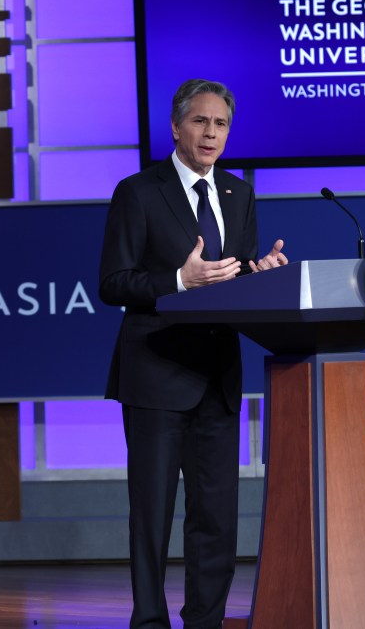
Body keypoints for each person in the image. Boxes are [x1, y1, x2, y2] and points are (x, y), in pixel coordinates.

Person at [99, 79, 287, 629]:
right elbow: (113, 282)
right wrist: (178, 280)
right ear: (177, 127)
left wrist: (260, 276)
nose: (211, 133)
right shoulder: (137, 191)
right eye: (201, 122)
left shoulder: (239, 193)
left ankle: (205, 621)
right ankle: (150, 622)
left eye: (221, 124)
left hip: (218, 378)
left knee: (217, 520)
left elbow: (234, 281)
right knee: (152, 517)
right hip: (156, 375)